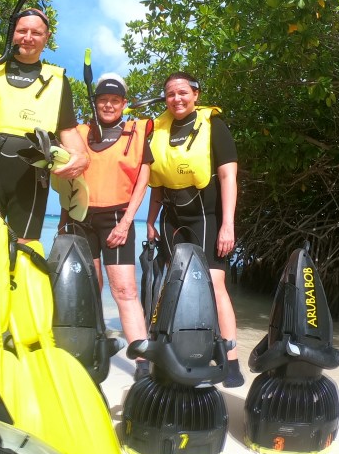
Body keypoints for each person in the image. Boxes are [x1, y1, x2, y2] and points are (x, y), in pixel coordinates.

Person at [145, 71, 244, 388]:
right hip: (172, 217)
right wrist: (149, 221)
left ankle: (230, 360)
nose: (176, 98)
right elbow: (157, 185)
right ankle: (176, 351)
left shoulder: (213, 126)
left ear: (196, 94)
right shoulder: (158, 130)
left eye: (183, 92)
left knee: (215, 285)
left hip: (205, 216)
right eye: (171, 94)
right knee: (173, 285)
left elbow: (229, 177)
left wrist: (227, 223)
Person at [0, 9, 87, 241]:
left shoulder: (57, 81)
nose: (28, 37)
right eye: (22, 30)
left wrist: (83, 157)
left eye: (36, 33)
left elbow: (68, 129)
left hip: (32, 174)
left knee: (25, 249)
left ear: (46, 39)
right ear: (12, 34)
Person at [69, 73, 154, 379]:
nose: (108, 105)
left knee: (125, 290)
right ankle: (92, 346)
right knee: (91, 288)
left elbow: (144, 179)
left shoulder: (137, 132)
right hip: (81, 217)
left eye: (114, 100)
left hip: (117, 217)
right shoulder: (78, 132)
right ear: (95, 102)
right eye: (103, 99)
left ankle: (142, 361)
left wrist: (129, 220)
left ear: (124, 104)